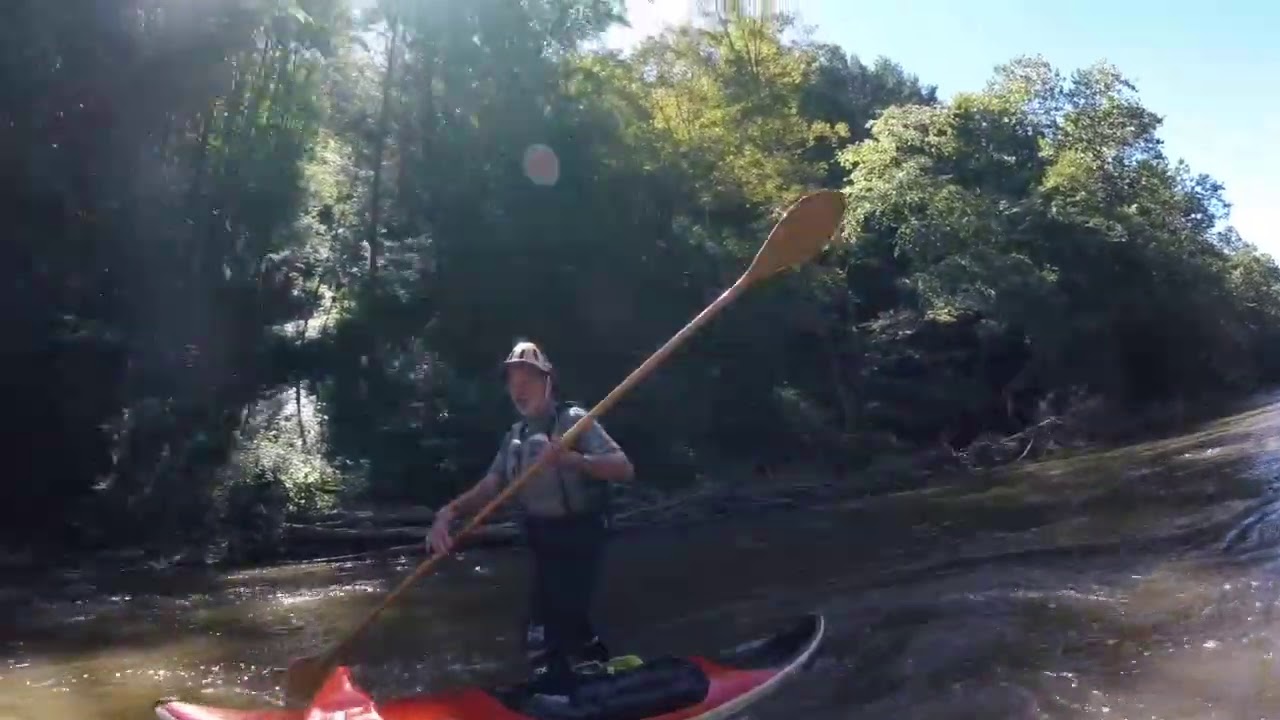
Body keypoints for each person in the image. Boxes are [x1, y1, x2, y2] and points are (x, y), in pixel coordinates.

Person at [427, 340, 635, 683]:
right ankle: (595, 667)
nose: (519, 389)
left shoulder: (573, 421)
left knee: (549, 628)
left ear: (548, 382)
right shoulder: (515, 437)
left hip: (580, 532)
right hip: (541, 536)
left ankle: (561, 685)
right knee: (557, 622)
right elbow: (490, 485)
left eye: (528, 380)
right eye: (513, 382)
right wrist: (447, 513)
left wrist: (573, 459)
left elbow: (623, 468)